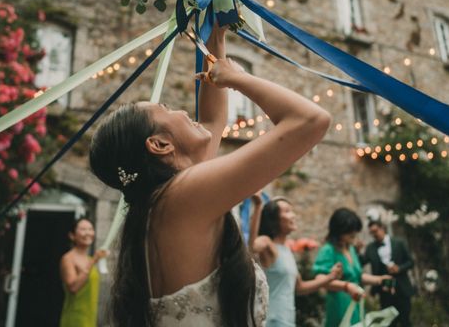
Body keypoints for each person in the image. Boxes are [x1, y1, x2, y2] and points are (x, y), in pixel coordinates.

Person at [89, 23, 331, 326]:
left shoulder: (167, 201)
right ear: (160, 144)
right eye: (166, 107)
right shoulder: (182, 196)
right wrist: (238, 79)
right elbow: (310, 120)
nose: (179, 110)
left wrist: (215, 38)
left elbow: (212, 119)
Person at [250, 195, 342, 327]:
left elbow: (299, 287)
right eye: (287, 211)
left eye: (292, 211)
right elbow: (252, 246)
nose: (293, 215)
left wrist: (330, 277)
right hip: (271, 320)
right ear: (274, 219)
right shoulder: (267, 243)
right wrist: (258, 206)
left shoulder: (286, 249)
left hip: (287, 320)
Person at [312, 208, 391, 327]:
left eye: (355, 230)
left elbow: (357, 275)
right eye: (350, 230)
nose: (354, 233)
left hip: (356, 304)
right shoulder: (328, 250)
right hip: (339, 305)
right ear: (339, 230)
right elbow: (320, 280)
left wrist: (378, 280)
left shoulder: (350, 249)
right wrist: (346, 286)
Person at [362, 220, 414, 327]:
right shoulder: (370, 248)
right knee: (389, 322)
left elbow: (411, 262)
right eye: (371, 233)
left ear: (382, 228)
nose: (374, 234)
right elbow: (360, 262)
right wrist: (356, 250)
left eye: (375, 231)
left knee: (405, 321)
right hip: (384, 291)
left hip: (402, 289)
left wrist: (399, 268)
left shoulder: (399, 242)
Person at [59, 218, 109, 327]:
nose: (88, 232)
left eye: (90, 229)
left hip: (90, 318)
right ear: (72, 235)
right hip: (75, 318)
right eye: (83, 229)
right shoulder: (68, 258)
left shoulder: (88, 259)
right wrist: (94, 260)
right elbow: (73, 287)